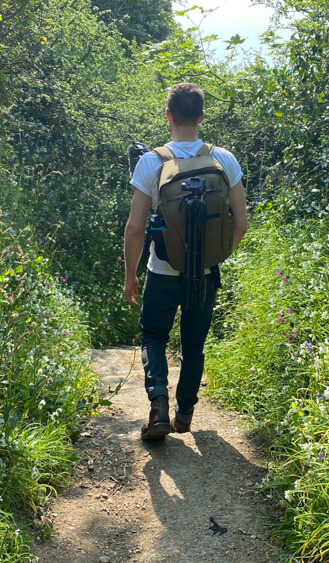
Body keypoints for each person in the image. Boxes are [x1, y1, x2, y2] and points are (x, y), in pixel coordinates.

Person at [122, 82, 248, 440]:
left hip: (161, 269)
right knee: (194, 344)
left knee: (154, 337)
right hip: (206, 273)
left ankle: (158, 406)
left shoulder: (152, 161)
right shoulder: (223, 159)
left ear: (169, 116)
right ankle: (185, 415)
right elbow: (240, 223)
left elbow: (134, 228)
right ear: (201, 117)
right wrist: (214, 256)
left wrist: (130, 275)